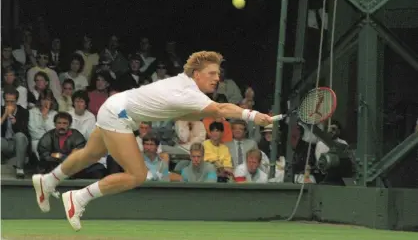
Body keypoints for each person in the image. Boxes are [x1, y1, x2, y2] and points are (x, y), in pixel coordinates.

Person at [31, 51, 274, 231]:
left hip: (116, 105)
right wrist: (253, 115)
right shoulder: (188, 92)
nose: (216, 79)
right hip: (120, 115)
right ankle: (79, 197)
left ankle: (48, 180)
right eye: (211, 74)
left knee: (90, 154)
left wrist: (223, 112)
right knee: (137, 175)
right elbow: (220, 108)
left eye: (218, 75)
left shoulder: (183, 82)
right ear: (197, 74)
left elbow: (195, 112)